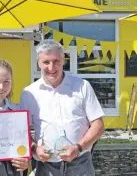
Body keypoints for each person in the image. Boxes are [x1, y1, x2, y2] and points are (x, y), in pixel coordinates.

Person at [20, 39, 105, 176]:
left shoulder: (82, 86)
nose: (51, 67)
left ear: (63, 61)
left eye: (56, 61)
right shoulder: (29, 94)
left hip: (80, 164)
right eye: (46, 62)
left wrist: (77, 148)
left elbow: (98, 125)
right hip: (46, 168)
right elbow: (21, 132)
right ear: (38, 63)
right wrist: (35, 149)